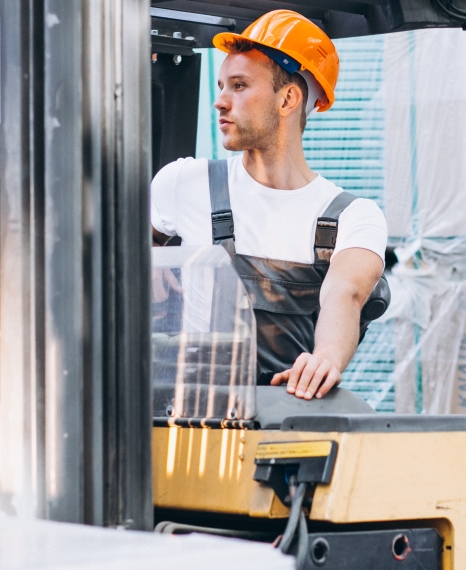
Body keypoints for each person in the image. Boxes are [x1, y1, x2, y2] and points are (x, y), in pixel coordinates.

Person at [150, 10, 387, 400]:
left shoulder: (352, 217)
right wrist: (145, 259)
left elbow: (346, 293)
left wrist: (326, 357)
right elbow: (113, 259)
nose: (220, 102)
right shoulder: (183, 183)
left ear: (288, 98)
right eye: (222, 85)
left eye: (239, 86)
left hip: (287, 414)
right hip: (190, 415)